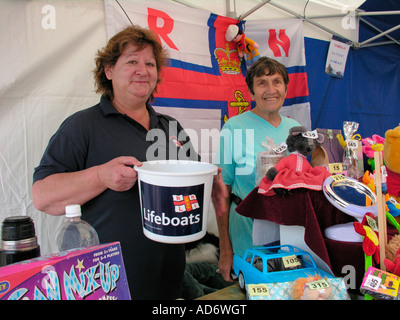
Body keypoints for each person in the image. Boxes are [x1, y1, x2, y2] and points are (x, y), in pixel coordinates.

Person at [32, 25, 227, 300]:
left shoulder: (170, 126)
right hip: (110, 284)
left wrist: (207, 178)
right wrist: (100, 176)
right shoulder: (83, 126)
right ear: (109, 71)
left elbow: (191, 187)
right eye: (132, 61)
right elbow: (42, 196)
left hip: (169, 280)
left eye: (150, 63)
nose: (143, 70)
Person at [214, 57, 301, 282]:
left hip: (289, 234)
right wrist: (225, 248)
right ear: (251, 92)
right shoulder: (233, 127)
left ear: (286, 87)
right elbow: (221, 191)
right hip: (246, 233)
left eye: (277, 81)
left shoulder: (295, 129)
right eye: (262, 83)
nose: (270, 89)